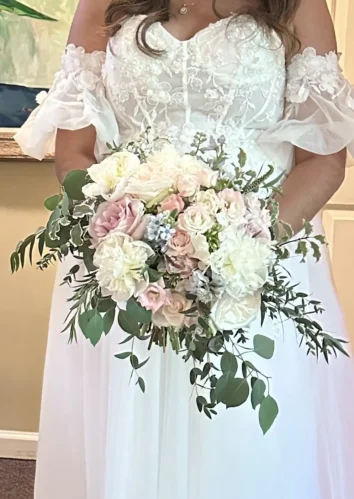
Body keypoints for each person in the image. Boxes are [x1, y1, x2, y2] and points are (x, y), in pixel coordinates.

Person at [15, 1, 354, 498]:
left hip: (257, 264)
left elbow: (322, 161)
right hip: (126, 266)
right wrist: (126, 234)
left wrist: (236, 248)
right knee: (126, 418)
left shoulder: (295, 4)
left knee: (246, 441)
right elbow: (74, 154)